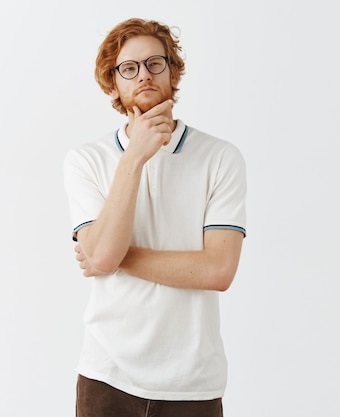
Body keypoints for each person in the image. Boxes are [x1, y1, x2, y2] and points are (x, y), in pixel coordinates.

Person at [64, 17, 246, 417]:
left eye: (154, 63)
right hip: (106, 377)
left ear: (173, 71)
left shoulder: (220, 158)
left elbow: (218, 270)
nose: (143, 75)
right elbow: (102, 255)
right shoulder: (86, 161)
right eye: (129, 68)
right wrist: (133, 158)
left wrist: (108, 257)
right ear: (113, 83)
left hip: (193, 385)